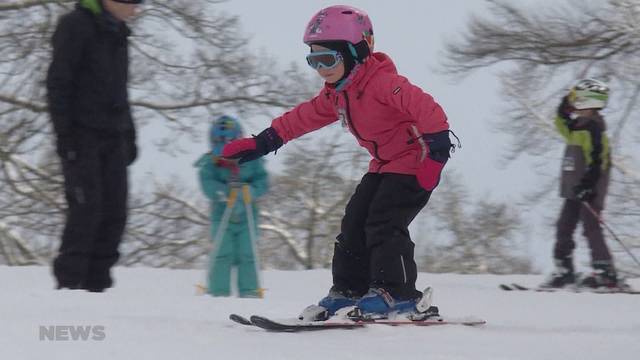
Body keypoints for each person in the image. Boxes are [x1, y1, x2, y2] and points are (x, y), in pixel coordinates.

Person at [222, 5, 455, 318]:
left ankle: (399, 294)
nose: (321, 69)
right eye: (313, 60)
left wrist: (437, 152)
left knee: (383, 221)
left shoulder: (383, 83)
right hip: (383, 164)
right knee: (354, 222)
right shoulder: (337, 94)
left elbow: (428, 109)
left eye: (328, 59)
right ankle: (350, 290)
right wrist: (263, 142)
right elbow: (302, 118)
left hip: (415, 163)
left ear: (357, 51)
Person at [46, 0, 143, 292]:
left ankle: (97, 286)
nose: (136, 9)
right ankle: (70, 284)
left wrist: (129, 135)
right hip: (81, 135)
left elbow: (119, 90)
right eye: (132, 3)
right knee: (87, 209)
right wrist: (65, 136)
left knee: (115, 212)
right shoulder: (75, 25)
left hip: (114, 135)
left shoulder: (119, 33)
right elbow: (58, 83)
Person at [542, 78, 618, 289]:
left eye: (577, 99)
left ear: (587, 101)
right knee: (564, 227)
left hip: (589, 190)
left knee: (591, 228)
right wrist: (565, 102)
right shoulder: (576, 128)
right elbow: (560, 120)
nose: (574, 103)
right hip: (573, 191)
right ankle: (564, 270)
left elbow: (598, 161)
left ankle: (605, 272)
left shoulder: (594, 130)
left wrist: (588, 185)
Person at [196, 116, 269, 297]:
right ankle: (218, 293)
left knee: (247, 254)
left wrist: (251, 191)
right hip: (222, 217)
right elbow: (207, 184)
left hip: (247, 216)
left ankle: (250, 292)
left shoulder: (252, 160)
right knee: (222, 253)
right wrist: (223, 192)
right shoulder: (209, 163)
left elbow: (263, 181)